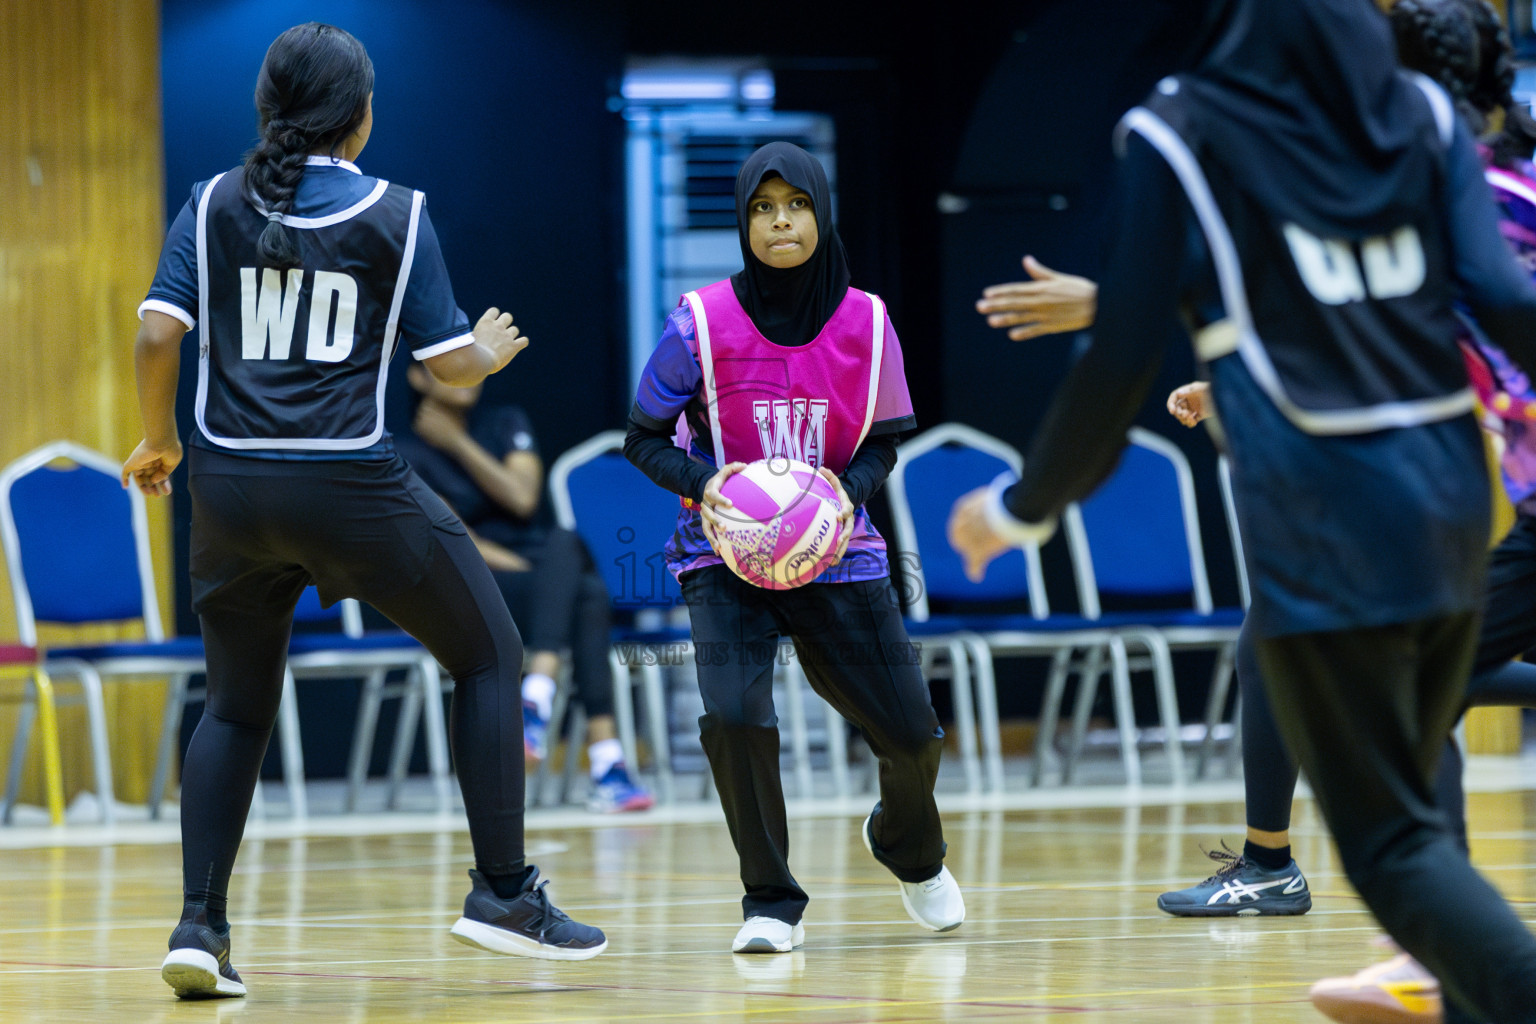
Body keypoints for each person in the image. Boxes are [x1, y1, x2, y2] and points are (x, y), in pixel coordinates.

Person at [949, 2, 1536, 1022]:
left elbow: (1121, 360)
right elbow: (1490, 293)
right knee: (1415, 774)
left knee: (1393, 847)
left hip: (1330, 517)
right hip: (1451, 509)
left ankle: (1443, 964)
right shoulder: (1423, 117)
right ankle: (1436, 978)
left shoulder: (1184, 126)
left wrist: (1023, 510)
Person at [123, 23, 605, 999]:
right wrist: (492, 351)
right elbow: (443, 365)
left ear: (267, 107)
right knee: (489, 653)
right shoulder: (397, 210)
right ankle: (505, 892)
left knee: (233, 704)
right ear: (362, 116)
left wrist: (161, 439)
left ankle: (199, 925)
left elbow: (153, 331)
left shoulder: (211, 199)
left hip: (229, 492)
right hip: (350, 486)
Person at [623, 141, 963, 954]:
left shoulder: (868, 321)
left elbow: (883, 443)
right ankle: (770, 899)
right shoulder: (700, 321)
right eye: (763, 209)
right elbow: (641, 437)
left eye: (797, 206)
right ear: (744, 224)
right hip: (725, 553)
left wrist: (841, 494)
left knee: (912, 735)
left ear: (821, 212)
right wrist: (706, 483)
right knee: (735, 716)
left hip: (837, 546)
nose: (781, 222)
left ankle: (910, 851)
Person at [395, 366, 655, 813]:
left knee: (567, 550)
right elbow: (450, 533)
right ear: (418, 378)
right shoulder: (404, 451)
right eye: (450, 363)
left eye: (472, 360)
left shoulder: (504, 422)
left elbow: (523, 497)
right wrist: (539, 575)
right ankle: (605, 764)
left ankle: (536, 699)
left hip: (543, 571)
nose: (468, 372)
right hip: (473, 578)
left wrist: (457, 441)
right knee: (583, 587)